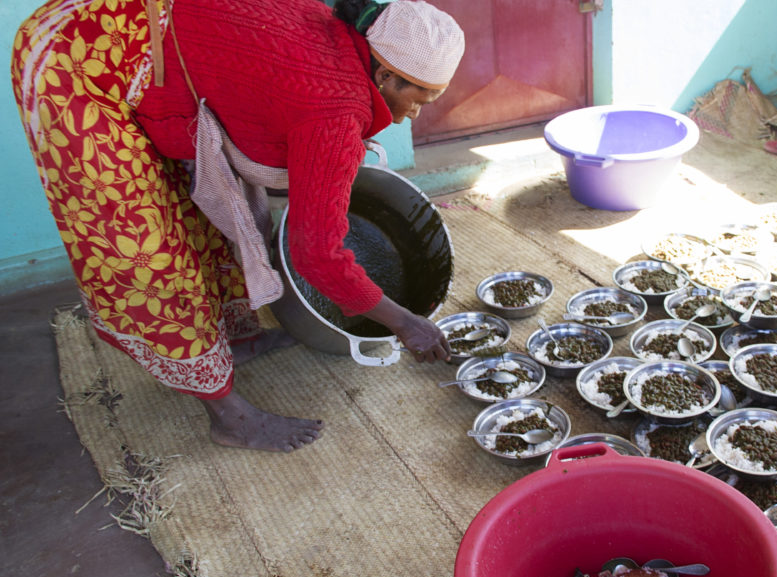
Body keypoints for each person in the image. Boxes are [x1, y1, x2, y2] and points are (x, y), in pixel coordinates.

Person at [11, 0, 464, 452]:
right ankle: (229, 417)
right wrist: (405, 323)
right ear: (384, 76)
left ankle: (233, 335)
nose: (416, 113)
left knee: (195, 208)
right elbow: (316, 254)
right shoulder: (335, 113)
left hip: (145, 40)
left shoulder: (337, 34)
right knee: (148, 247)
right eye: (420, 99)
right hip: (76, 62)